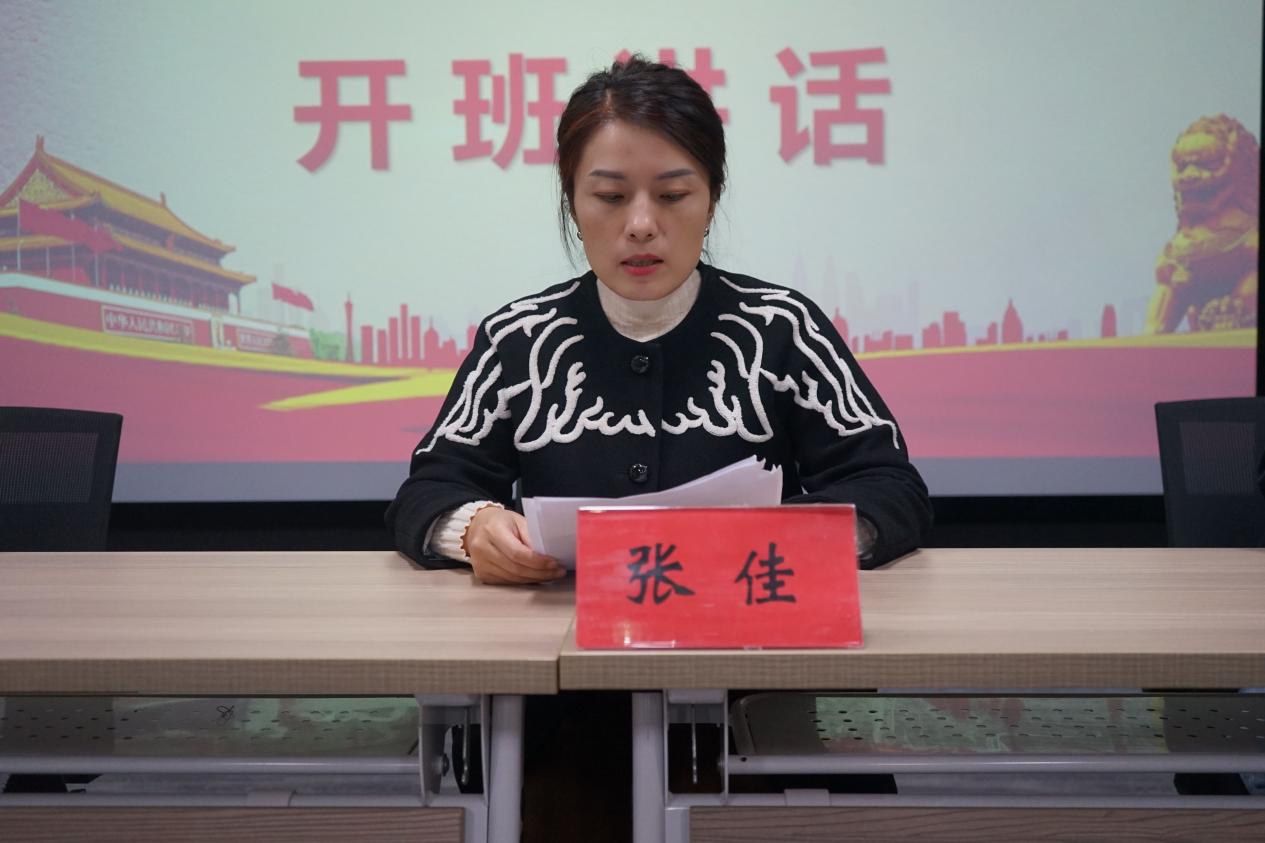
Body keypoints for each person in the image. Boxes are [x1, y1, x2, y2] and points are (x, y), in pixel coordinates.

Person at [386, 56, 932, 584]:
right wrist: (473, 530)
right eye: (610, 196)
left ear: (712, 199)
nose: (642, 224)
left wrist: (788, 537)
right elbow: (429, 491)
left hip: (747, 631)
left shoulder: (781, 328)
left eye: (673, 195)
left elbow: (890, 487)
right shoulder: (519, 339)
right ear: (572, 203)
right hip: (563, 636)